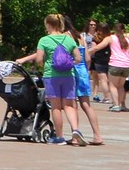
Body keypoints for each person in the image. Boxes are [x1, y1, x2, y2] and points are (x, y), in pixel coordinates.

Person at [12, 15, 82, 146]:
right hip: (68, 75)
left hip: (51, 75)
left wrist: (45, 65)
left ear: (48, 24)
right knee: (69, 105)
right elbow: (78, 58)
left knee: (56, 107)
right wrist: (68, 64)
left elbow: (39, 60)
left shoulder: (44, 40)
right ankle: (75, 131)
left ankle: (60, 137)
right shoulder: (69, 39)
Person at [62, 15, 104, 146]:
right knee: (86, 105)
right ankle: (97, 135)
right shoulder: (80, 36)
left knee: (71, 104)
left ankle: (76, 135)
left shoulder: (64, 36)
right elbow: (87, 58)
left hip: (72, 71)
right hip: (83, 72)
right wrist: (86, 70)